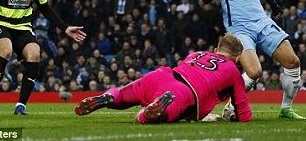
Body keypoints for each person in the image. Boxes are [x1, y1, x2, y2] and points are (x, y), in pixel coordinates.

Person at [75, 34, 252, 123]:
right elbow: (243, 111)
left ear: (215, 49)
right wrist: (238, 118)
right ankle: (151, 110)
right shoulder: (233, 71)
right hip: (183, 92)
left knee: (122, 97)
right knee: (142, 118)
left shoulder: (197, 54)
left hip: (161, 75)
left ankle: (109, 97)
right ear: (236, 58)